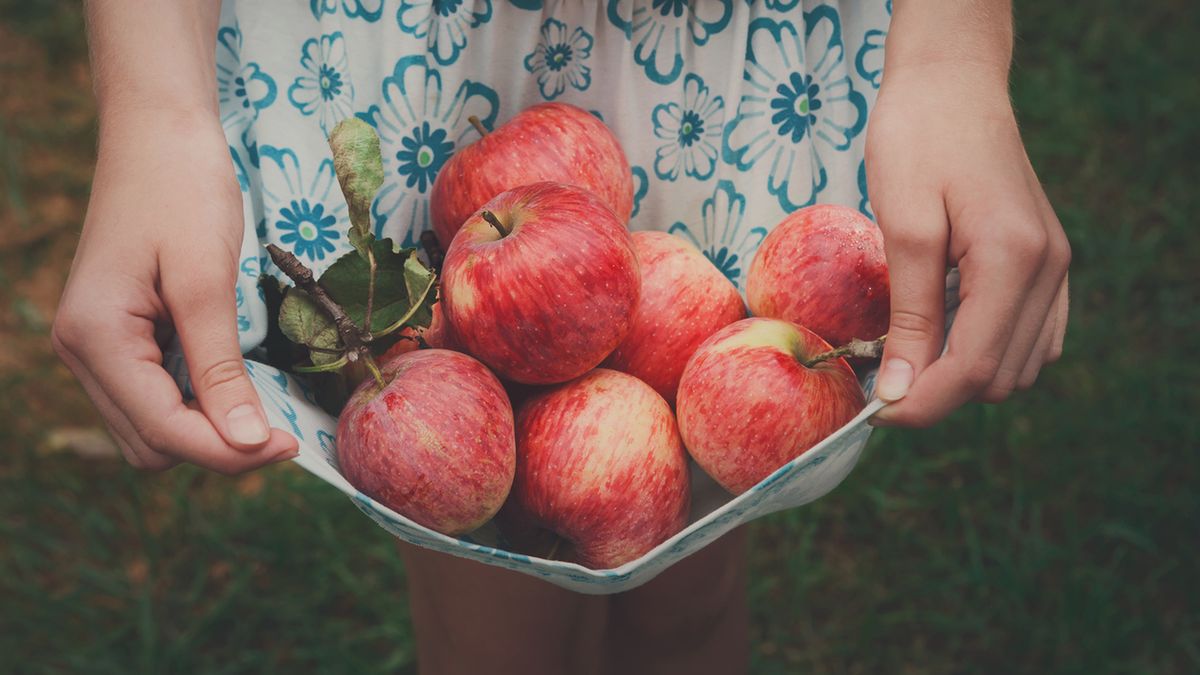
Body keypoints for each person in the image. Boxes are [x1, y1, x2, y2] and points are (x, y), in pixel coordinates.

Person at [52, 1, 1070, 673]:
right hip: (419, 49)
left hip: (714, 64)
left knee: (696, 559)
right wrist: (155, 114)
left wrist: (951, 54)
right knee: (497, 619)